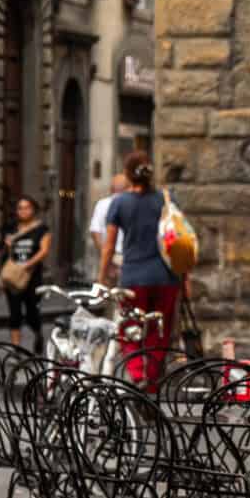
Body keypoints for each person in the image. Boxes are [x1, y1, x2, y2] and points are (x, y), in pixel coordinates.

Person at [99, 150, 180, 390]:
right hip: (166, 276)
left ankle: (136, 374)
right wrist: (185, 278)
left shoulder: (120, 202)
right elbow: (178, 240)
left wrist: (102, 277)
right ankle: (152, 382)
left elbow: (109, 245)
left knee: (130, 329)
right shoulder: (166, 199)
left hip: (133, 277)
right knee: (158, 331)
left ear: (127, 175)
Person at [2, 195, 51, 353]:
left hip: (32, 276)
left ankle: (38, 334)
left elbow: (44, 251)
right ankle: (16, 349)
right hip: (14, 275)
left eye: (27, 207)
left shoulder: (41, 229)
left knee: (32, 312)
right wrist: (8, 245)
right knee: (14, 312)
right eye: (20, 208)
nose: (23, 211)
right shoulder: (10, 228)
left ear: (33, 209)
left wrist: (28, 265)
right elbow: (6, 252)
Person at [88, 172, 127, 284]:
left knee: (108, 294)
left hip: (111, 255)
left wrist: (105, 256)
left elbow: (95, 231)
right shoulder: (132, 204)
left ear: (111, 188)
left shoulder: (102, 204)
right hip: (128, 257)